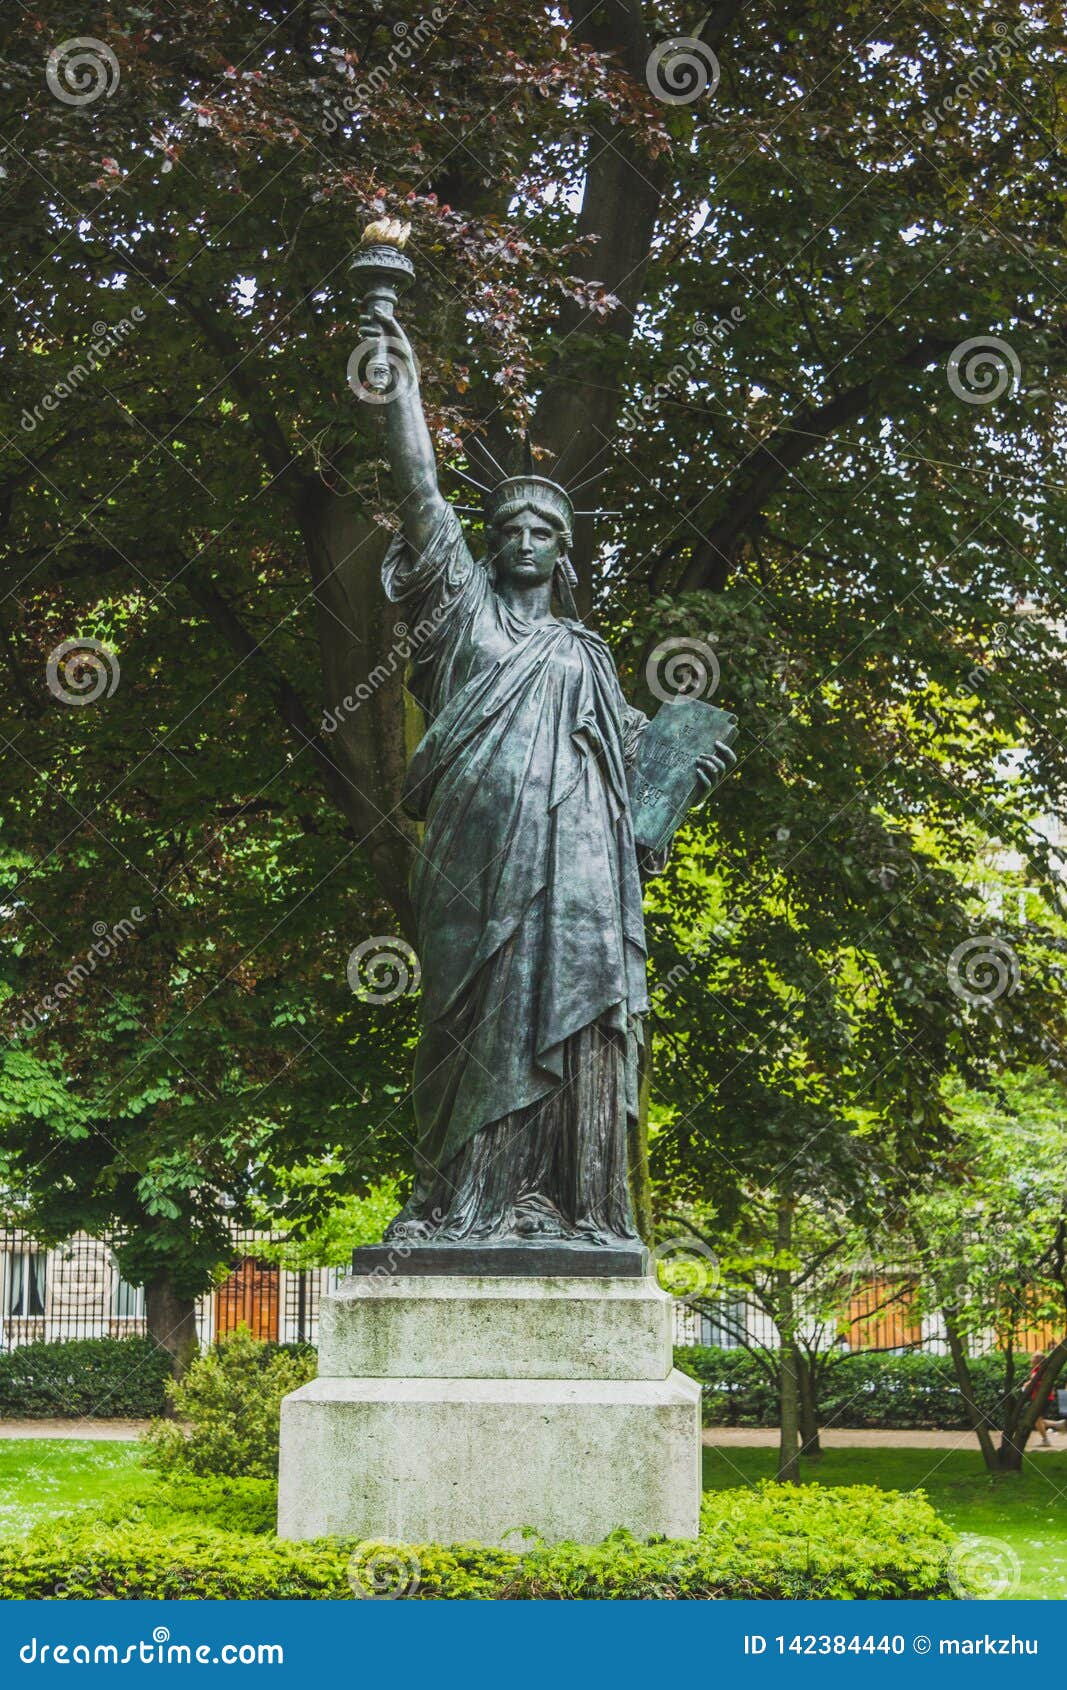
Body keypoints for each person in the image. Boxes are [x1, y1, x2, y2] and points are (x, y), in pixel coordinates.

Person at [361, 299, 736, 1248]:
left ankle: (567, 1204)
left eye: (542, 531)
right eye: (509, 527)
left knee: (578, 1024)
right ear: (488, 542)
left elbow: (635, 789)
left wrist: (682, 776)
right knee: (461, 1024)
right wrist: (392, 372)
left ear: (561, 550)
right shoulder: (461, 616)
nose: (524, 540)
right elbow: (419, 491)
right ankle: (455, 1203)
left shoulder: (587, 654)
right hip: (470, 863)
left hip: (579, 879)